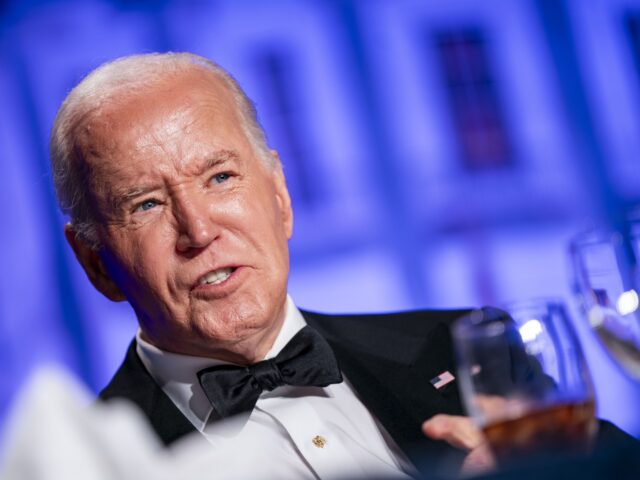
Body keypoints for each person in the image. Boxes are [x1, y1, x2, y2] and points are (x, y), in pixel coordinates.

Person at [48, 52, 632, 479]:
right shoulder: (88, 468)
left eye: (220, 177)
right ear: (96, 262)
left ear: (279, 196)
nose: (199, 231)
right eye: (146, 204)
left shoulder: (463, 347)